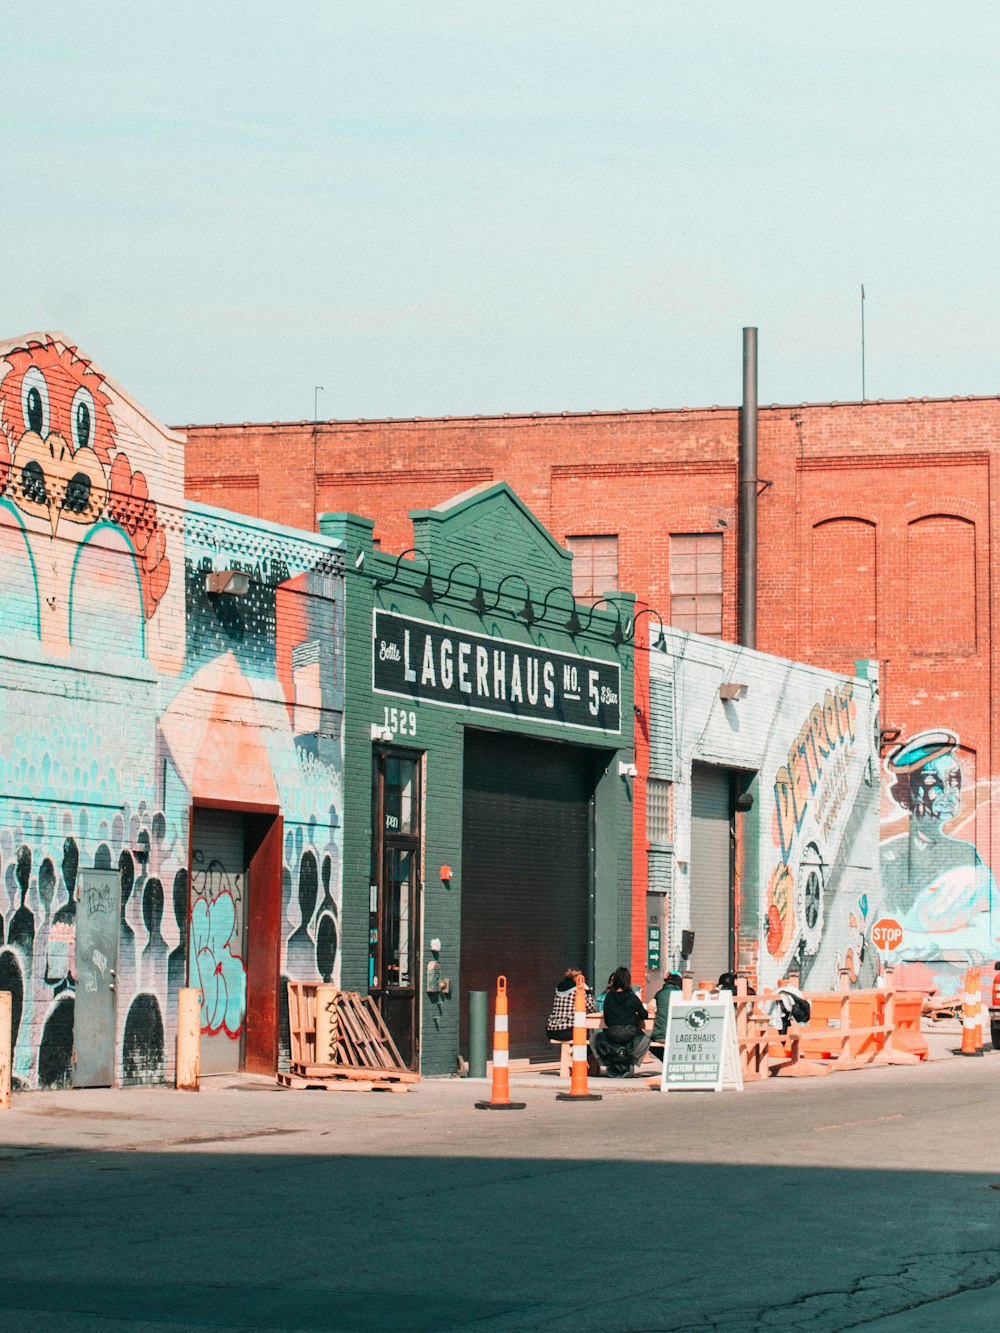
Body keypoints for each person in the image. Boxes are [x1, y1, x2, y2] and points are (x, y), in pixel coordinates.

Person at [591, 966, 650, 1076]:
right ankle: (631, 1059)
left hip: (612, 1033)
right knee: (646, 1039)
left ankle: (608, 1061)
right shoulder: (632, 997)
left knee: (593, 1038)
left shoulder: (608, 997)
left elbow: (607, 1018)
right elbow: (644, 1015)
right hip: (630, 1033)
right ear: (628, 981)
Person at [545, 967, 596, 1042]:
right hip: (567, 1030)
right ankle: (574, 1053)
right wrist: (588, 991)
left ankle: (568, 1053)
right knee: (589, 1037)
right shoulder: (578, 991)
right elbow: (591, 1008)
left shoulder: (559, 988)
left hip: (551, 1030)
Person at [648, 971, 683, 1064]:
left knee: (648, 1044)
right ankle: (671, 1062)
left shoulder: (660, 993)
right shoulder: (683, 995)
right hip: (679, 1036)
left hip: (660, 1035)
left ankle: (667, 1061)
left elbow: (650, 1007)